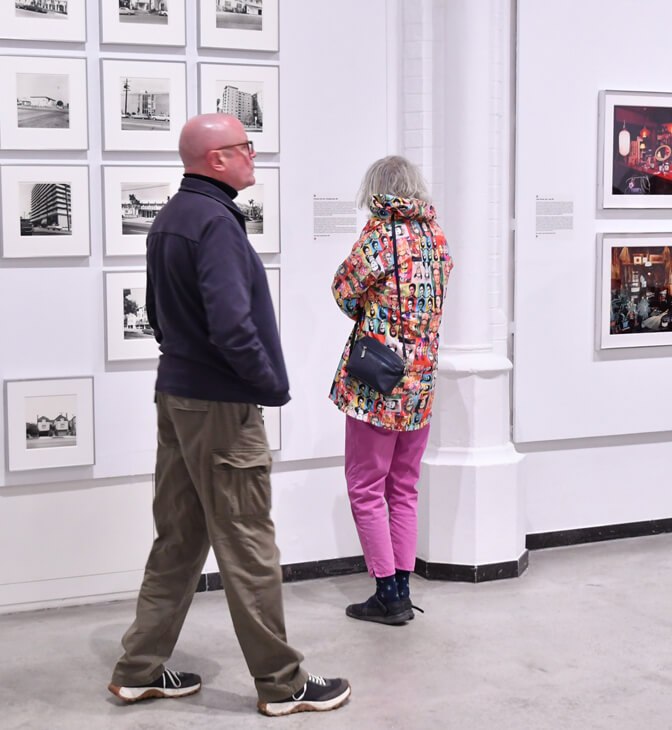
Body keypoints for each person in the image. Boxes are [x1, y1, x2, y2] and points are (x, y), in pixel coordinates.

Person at [107, 113, 351, 717]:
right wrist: (269, 385)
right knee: (248, 545)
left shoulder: (170, 218)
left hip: (178, 395)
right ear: (215, 159)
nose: (254, 156)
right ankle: (284, 684)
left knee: (180, 538)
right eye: (245, 147)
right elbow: (232, 325)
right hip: (219, 405)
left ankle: (137, 671)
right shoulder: (214, 222)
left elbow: (158, 316)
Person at [329, 155, 453, 625]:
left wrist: (375, 311)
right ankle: (401, 585)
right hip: (421, 381)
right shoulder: (436, 237)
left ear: (376, 189)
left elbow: (343, 291)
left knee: (365, 486)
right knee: (404, 487)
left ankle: (386, 593)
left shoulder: (381, 234)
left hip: (378, 382)